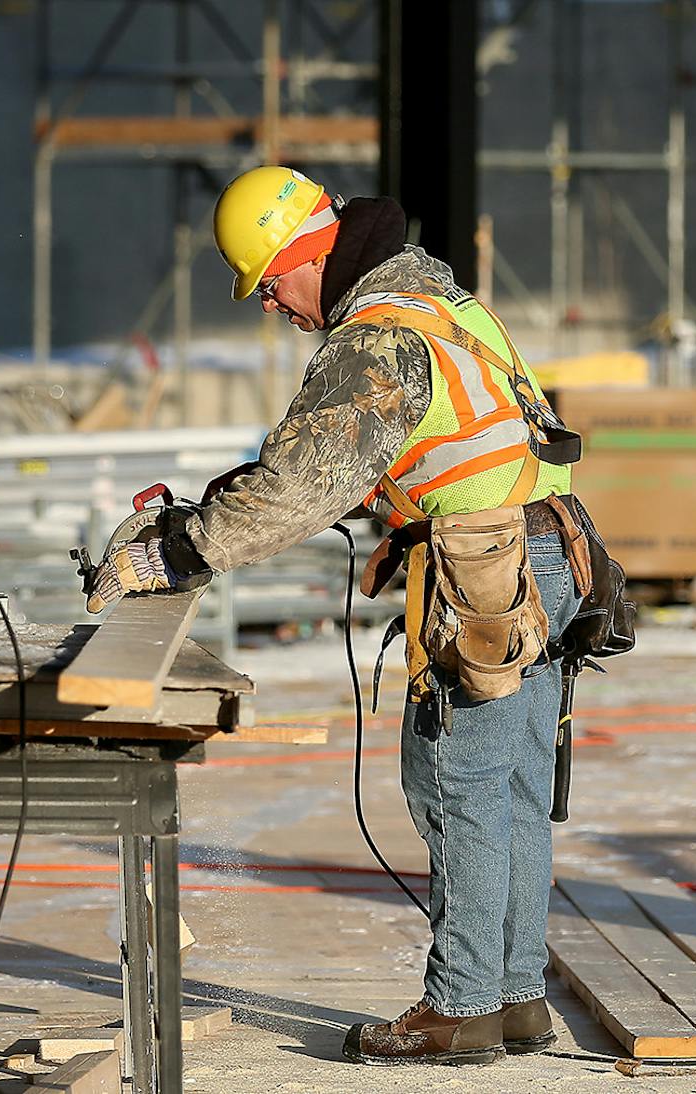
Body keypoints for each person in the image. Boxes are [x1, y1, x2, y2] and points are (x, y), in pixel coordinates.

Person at [85, 165, 592, 1067]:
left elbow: (299, 484)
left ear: (308, 249)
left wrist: (173, 549)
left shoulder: (377, 339)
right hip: (545, 554)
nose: (273, 307)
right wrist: (212, 508)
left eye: (271, 283)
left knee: (457, 785)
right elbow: (345, 461)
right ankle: (514, 998)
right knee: (510, 784)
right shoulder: (444, 305)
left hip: (485, 567)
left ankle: (464, 1007)